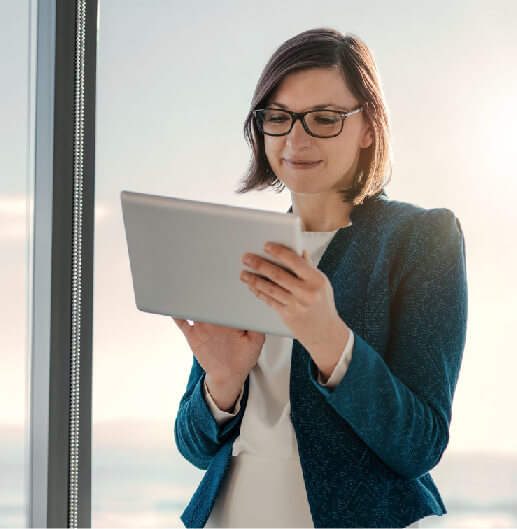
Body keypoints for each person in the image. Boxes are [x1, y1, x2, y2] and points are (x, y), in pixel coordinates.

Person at [171, 27, 467, 528]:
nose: (296, 139)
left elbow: (420, 444)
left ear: (369, 127)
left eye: (325, 119)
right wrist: (221, 385)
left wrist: (331, 340)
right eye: (279, 118)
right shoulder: (241, 244)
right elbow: (195, 446)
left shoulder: (421, 238)